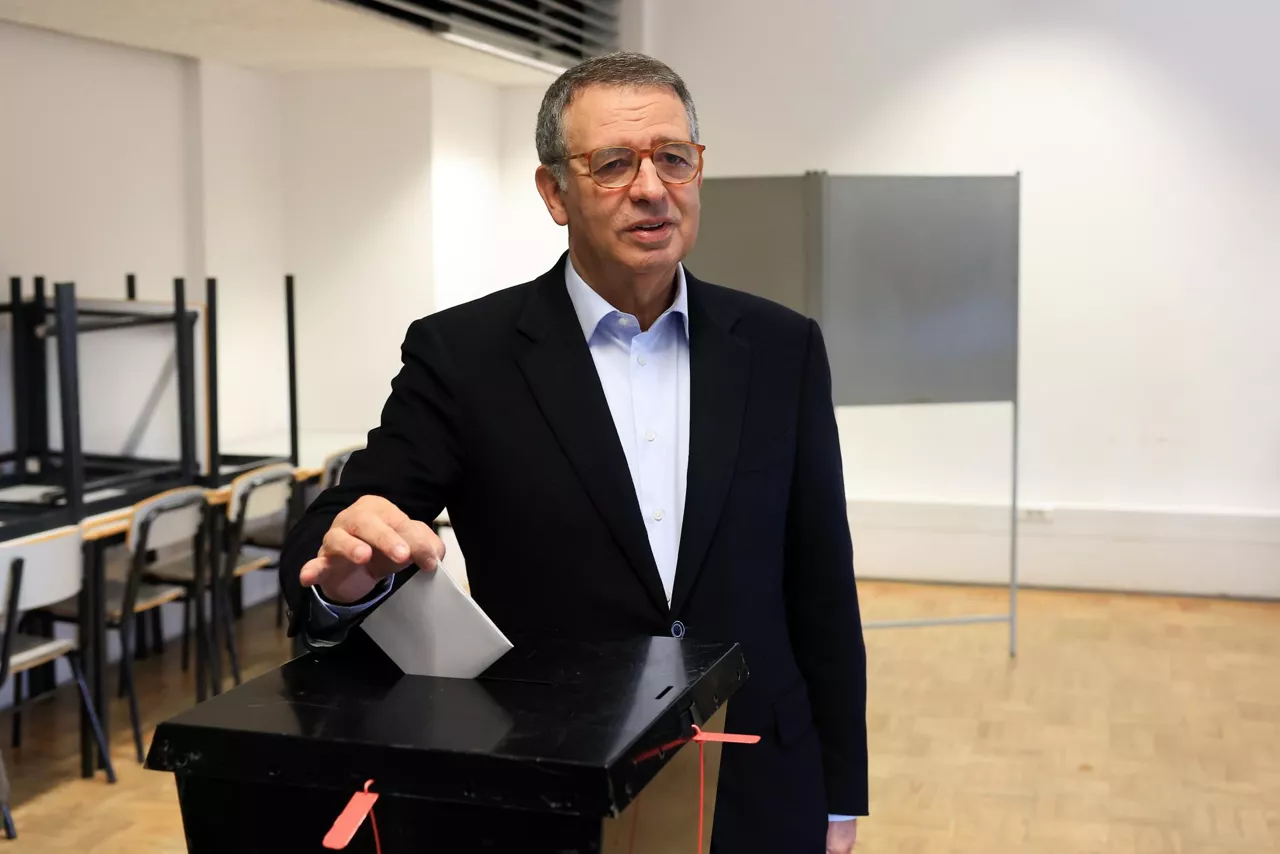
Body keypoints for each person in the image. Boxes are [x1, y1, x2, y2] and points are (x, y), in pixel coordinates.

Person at [280, 51, 867, 854]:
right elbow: (337, 532)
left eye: (673, 158)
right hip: (552, 785)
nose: (651, 188)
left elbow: (823, 586)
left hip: (757, 774)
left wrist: (840, 794)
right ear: (554, 192)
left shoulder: (781, 347)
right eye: (614, 164)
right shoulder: (465, 356)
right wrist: (347, 571)